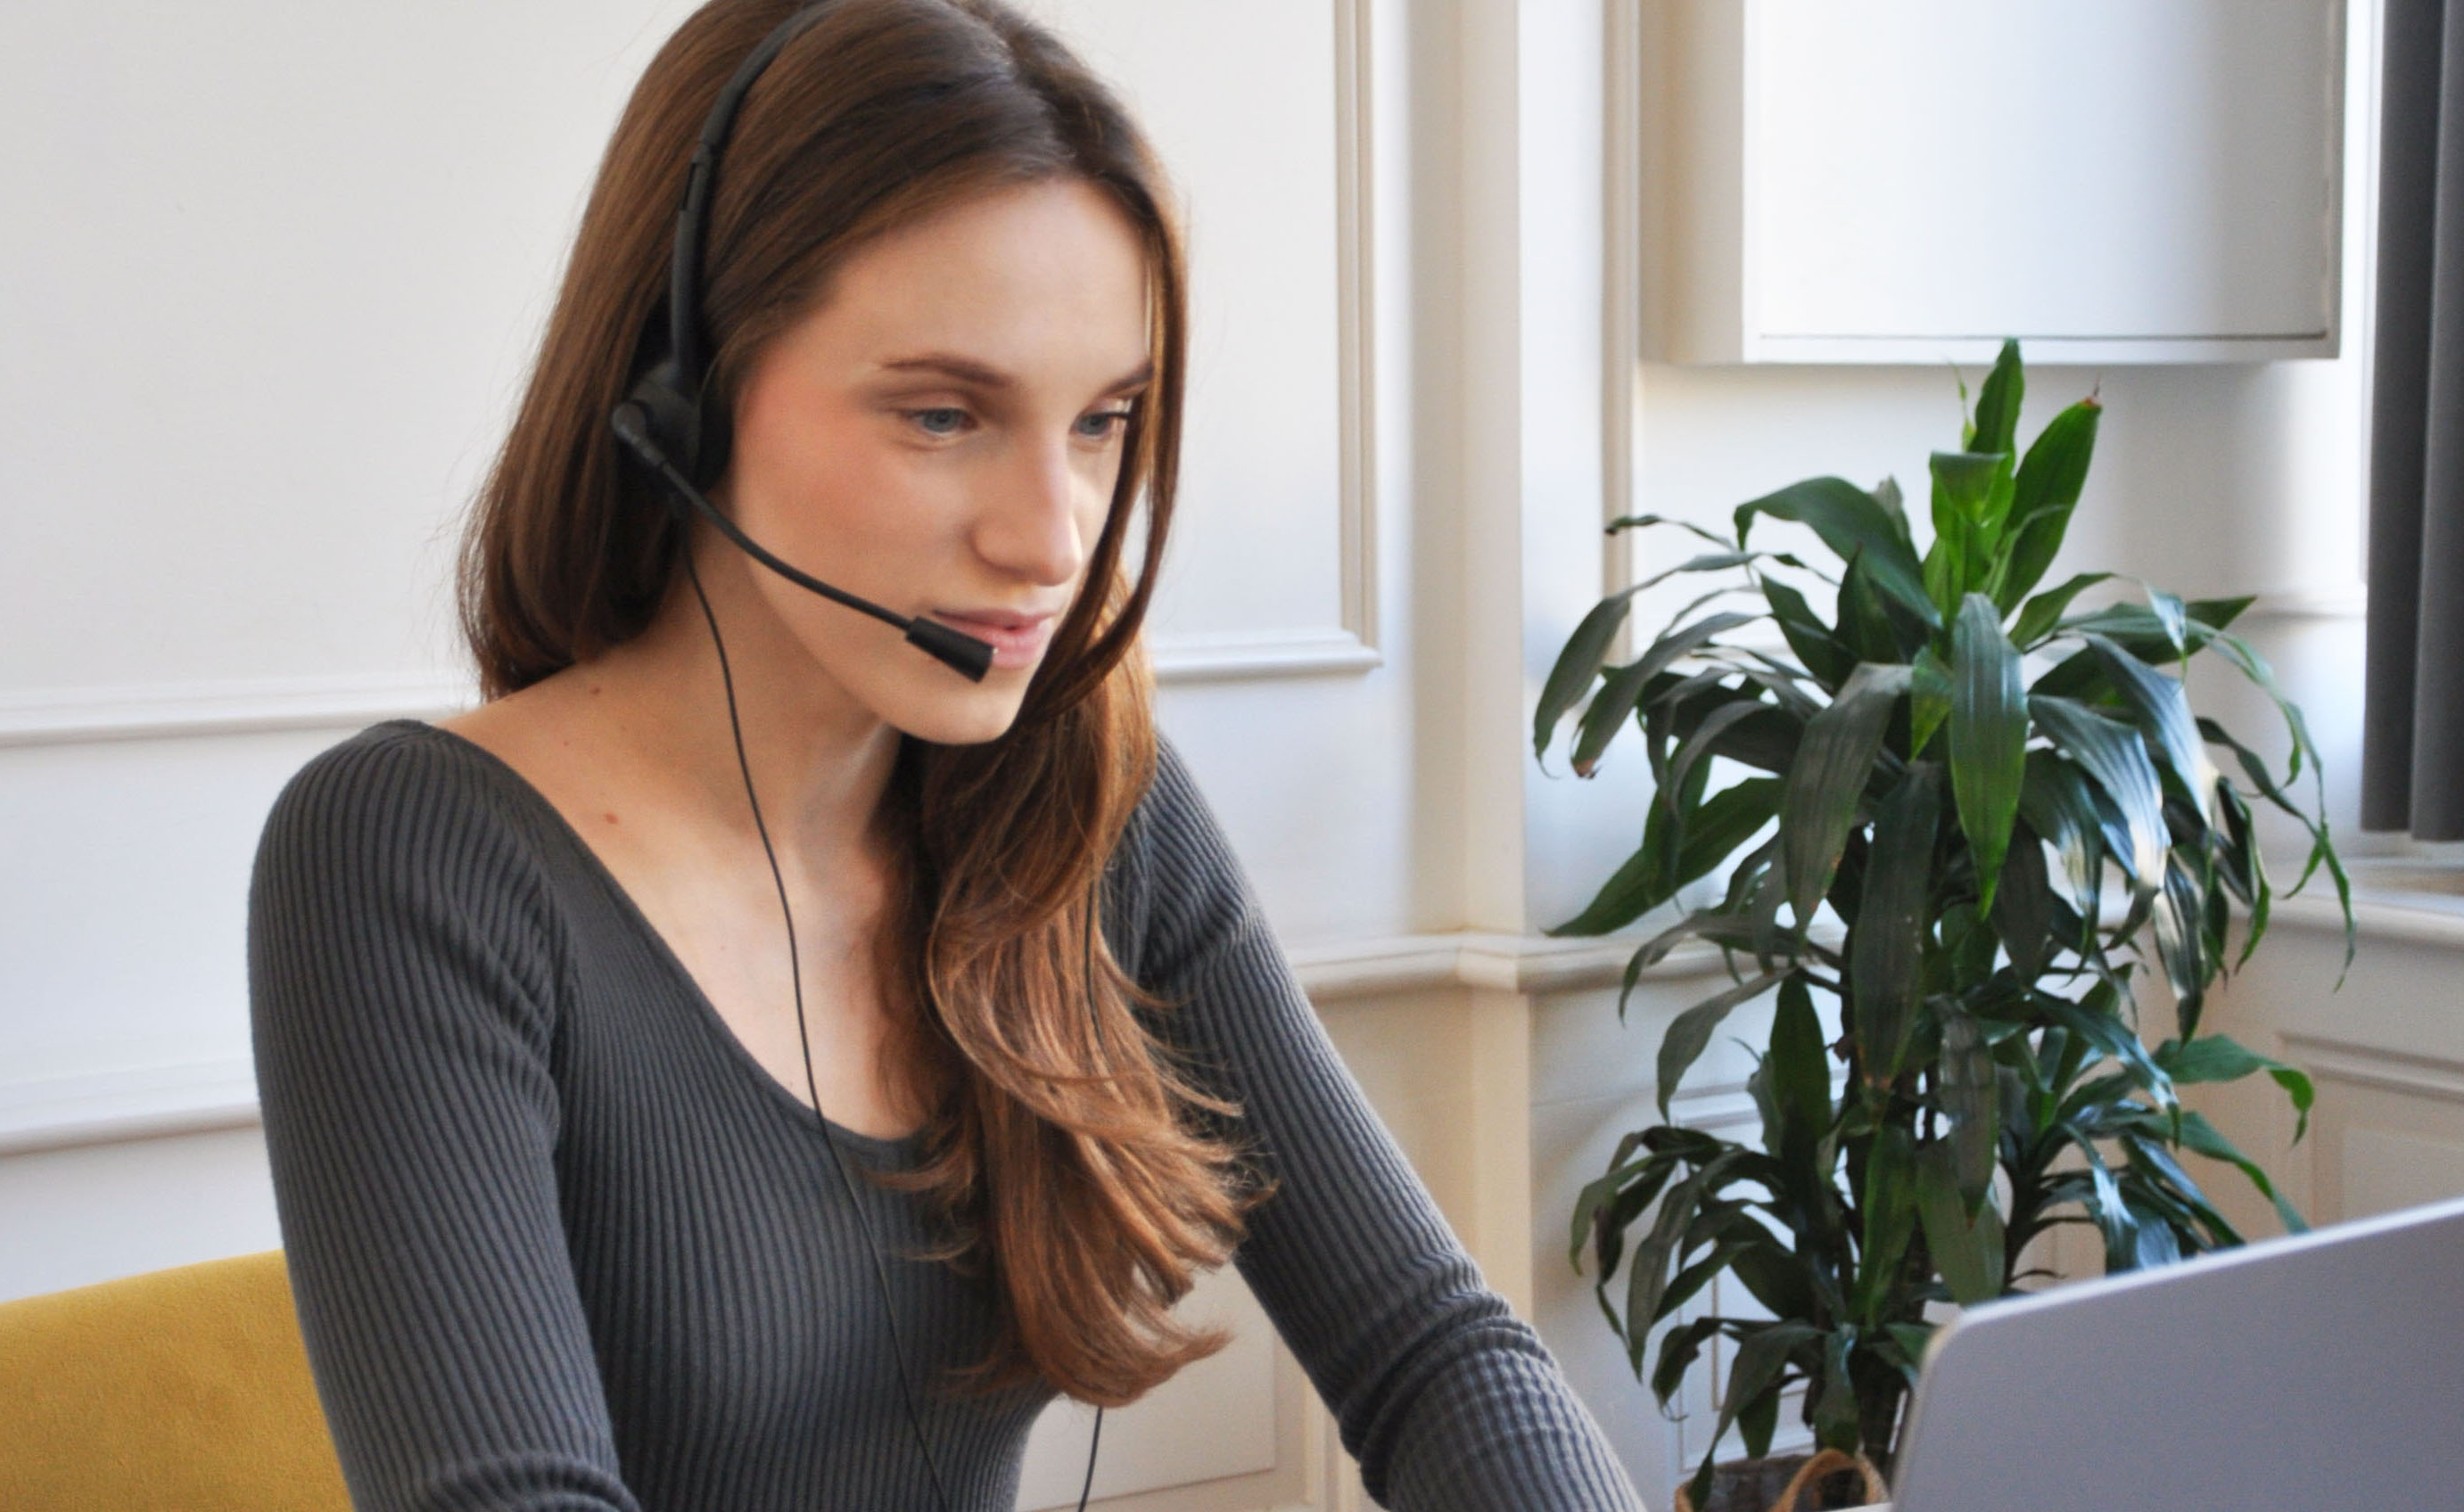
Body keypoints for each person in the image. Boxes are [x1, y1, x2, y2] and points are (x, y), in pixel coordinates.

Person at [245, 2, 1644, 1508]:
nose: (1049, 538)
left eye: (1104, 421)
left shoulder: (1088, 811)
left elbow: (1431, 1349)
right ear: (683, 393)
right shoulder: (411, 860)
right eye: (941, 414)